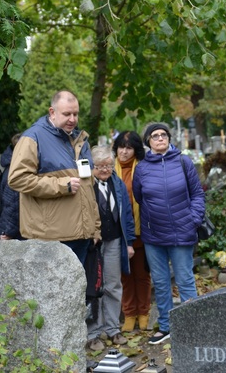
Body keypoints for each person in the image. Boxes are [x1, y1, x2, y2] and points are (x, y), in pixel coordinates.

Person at [133, 122, 205, 345]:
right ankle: (165, 326)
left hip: (181, 232)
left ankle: (191, 326)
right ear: (148, 142)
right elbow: (139, 197)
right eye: (155, 136)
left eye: (164, 134)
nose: (160, 138)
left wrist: (192, 220)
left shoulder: (183, 162)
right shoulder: (142, 168)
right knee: (161, 282)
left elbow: (198, 195)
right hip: (154, 235)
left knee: (184, 280)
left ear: (169, 138)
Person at [8, 91, 100, 265]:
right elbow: (17, 178)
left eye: (75, 114)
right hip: (51, 239)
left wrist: (94, 228)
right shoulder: (33, 137)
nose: (72, 119)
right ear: (52, 112)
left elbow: (88, 187)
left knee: (76, 292)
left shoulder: (79, 139)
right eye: (67, 114)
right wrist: (61, 185)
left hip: (82, 236)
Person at [85, 145, 136, 352]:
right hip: (92, 245)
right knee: (94, 288)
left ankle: (113, 329)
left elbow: (127, 214)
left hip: (115, 240)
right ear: (91, 167)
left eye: (108, 165)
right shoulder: (86, 185)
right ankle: (93, 334)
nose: (105, 170)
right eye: (100, 166)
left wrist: (129, 242)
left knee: (113, 285)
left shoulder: (117, 183)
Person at [113, 131, 152, 332]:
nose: (124, 151)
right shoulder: (109, 169)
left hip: (142, 230)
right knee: (125, 276)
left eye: (129, 148)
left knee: (142, 274)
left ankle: (144, 313)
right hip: (119, 232)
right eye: (121, 147)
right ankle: (129, 313)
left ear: (136, 150)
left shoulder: (144, 168)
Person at [0, 133, 24, 241]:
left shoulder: (10, 165)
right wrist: (8, 231)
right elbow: (12, 202)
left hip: (11, 227)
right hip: (14, 232)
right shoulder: (16, 169)